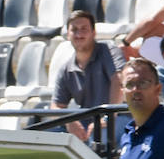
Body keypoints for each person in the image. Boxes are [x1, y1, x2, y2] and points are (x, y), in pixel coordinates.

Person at [51, 10, 124, 143]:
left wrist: (107, 116)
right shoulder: (66, 69)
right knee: (44, 136)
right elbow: (56, 106)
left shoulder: (109, 51)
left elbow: (118, 81)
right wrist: (68, 120)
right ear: (68, 35)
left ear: (94, 33)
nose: (79, 34)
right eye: (74, 30)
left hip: (117, 117)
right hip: (86, 122)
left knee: (96, 138)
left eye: (84, 29)